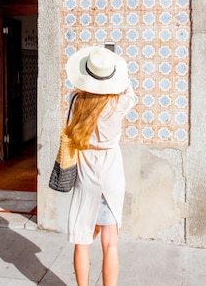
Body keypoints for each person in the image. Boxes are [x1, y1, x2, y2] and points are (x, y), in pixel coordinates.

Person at [64, 46, 136, 286]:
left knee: (82, 241)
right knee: (110, 244)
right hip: (112, 175)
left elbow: (77, 93)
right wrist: (117, 73)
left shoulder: (75, 101)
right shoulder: (118, 103)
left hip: (86, 175)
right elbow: (130, 91)